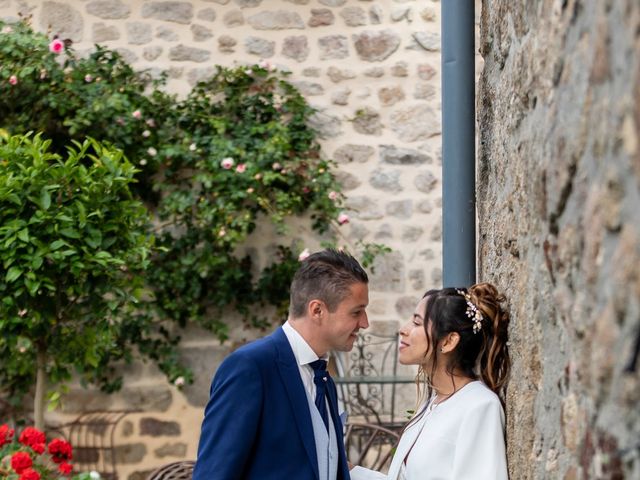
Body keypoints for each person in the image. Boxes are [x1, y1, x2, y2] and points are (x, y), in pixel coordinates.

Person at [193, 248, 370, 480]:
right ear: (317, 310)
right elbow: (213, 474)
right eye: (357, 312)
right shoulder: (250, 367)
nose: (365, 323)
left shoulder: (323, 378)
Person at [350, 283, 510, 480]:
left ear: (448, 341)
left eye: (417, 323)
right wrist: (348, 472)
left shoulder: (480, 405)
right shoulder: (432, 404)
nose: (403, 330)